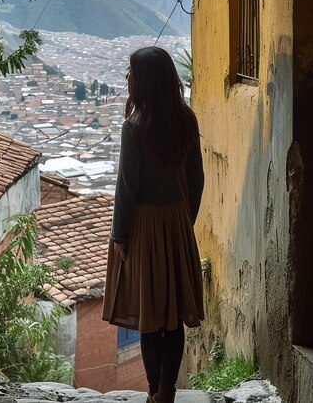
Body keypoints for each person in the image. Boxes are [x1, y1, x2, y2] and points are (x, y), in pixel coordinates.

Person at [102, 46, 204, 403]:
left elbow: (126, 189)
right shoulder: (186, 120)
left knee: (150, 315)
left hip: (143, 227)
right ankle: (168, 390)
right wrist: (182, 221)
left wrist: (120, 235)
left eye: (131, 73)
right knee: (173, 314)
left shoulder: (134, 127)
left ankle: (152, 391)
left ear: (143, 80)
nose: (128, 79)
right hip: (176, 221)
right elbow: (197, 179)